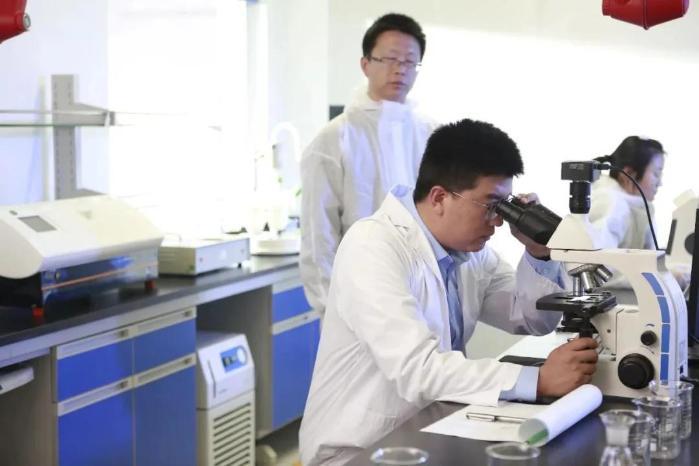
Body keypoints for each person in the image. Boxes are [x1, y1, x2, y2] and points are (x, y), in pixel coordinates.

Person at [299, 119, 599, 466]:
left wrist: (538, 251)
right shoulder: (373, 246)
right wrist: (538, 380)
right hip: (358, 450)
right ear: (440, 197)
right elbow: (418, 368)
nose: (498, 221)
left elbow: (531, 319)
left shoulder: (472, 256)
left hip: (429, 428)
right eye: (491, 205)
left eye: (504, 207)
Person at [300, 13, 437, 317]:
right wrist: (333, 310)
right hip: (355, 300)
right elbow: (318, 237)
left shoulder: (430, 135)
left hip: (423, 296)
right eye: (389, 59)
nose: (399, 70)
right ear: (365, 64)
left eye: (409, 62)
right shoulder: (334, 139)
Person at [589, 136, 688, 288]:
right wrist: (662, 277)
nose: (660, 183)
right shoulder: (610, 203)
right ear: (629, 174)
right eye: (656, 174)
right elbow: (599, 269)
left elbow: (648, 260)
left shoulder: (637, 206)